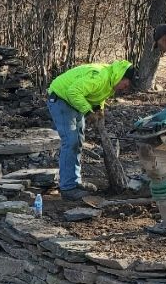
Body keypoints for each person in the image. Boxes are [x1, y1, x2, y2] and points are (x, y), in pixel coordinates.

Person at [47, 59, 133, 201]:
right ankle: (68, 188)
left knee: (78, 141)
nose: (126, 88)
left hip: (74, 101)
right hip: (61, 98)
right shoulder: (100, 76)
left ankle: (75, 181)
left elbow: (97, 94)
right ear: (121, 76)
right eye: (126, 84)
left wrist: (99, 109)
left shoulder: (110, 80)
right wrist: (88, 112)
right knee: (71, 141)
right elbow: (73, 92)